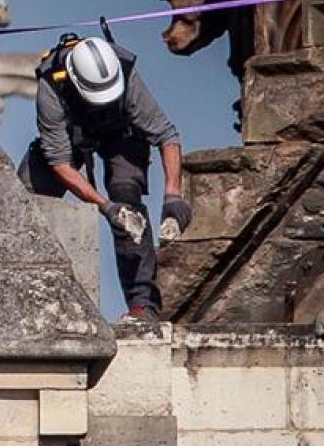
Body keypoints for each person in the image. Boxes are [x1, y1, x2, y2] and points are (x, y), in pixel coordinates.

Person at [17, 34, 193, 322]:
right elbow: (60, 162)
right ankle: (24, 292)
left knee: (128, 201)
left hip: (122, 135)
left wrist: (173, 194)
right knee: (27, 200)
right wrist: (105, 206)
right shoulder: (51, 85)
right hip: (71, 138)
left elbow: (166, 134)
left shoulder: (123, 70)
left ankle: (143, 306)